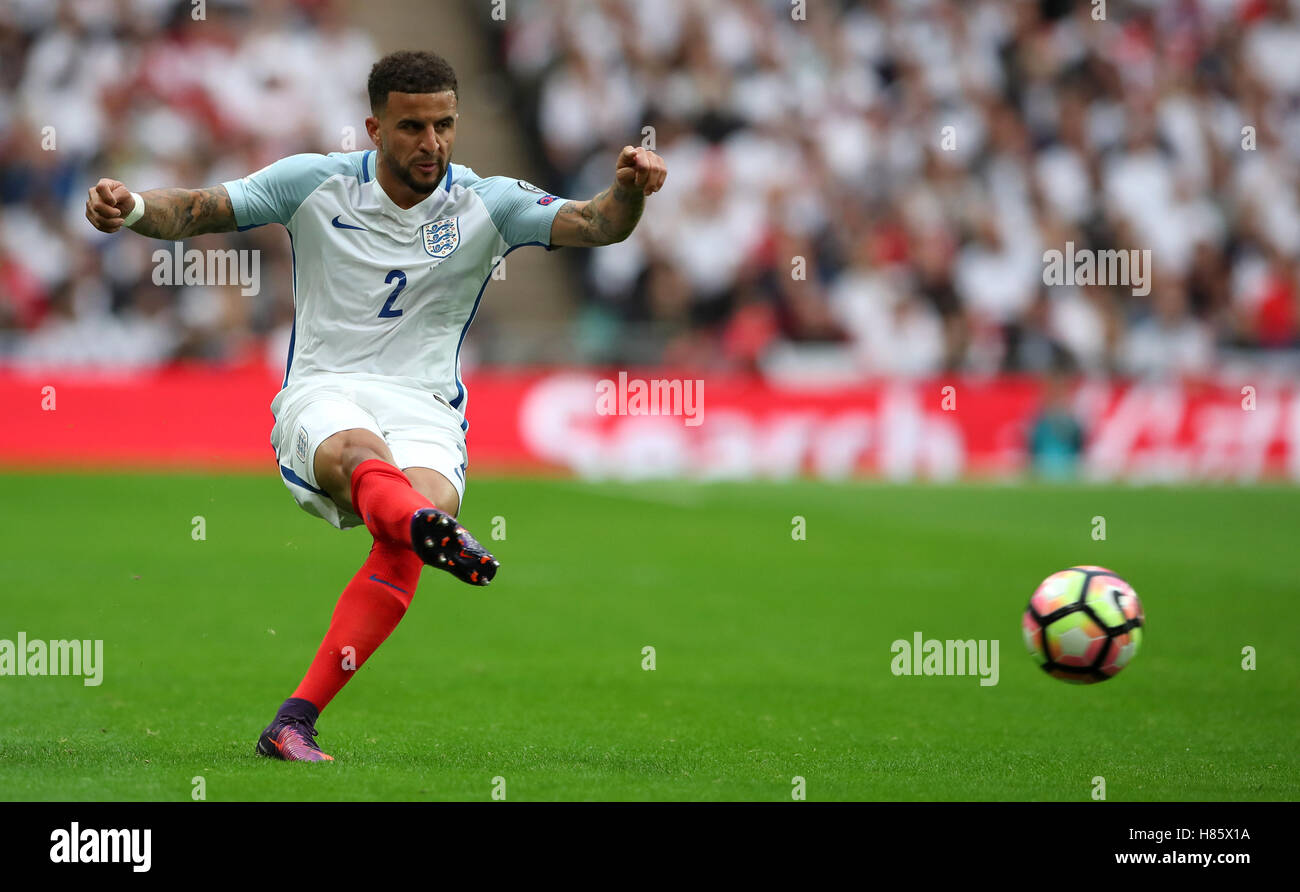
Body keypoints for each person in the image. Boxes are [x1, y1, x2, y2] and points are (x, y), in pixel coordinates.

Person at [84, 50, 667, 762]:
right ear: (373, 126)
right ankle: (425, 525)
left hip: (425, 404)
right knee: (367, 462)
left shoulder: (490, 201)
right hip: (325, 390)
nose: (433, 143)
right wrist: (134, 208)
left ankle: (293, 721)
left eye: (446, 125)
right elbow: (204, 209)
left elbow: (599, 224)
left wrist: (631, 189)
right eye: (414, 127)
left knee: (412, 525)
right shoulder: (315, 183)